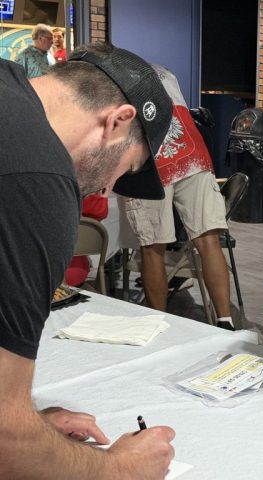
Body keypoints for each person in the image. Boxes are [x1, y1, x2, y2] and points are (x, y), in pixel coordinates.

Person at [0, 41, 176, 478]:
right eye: (126, 169)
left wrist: (33, 426)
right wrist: (121, 469)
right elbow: (5, 440)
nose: (106, 189)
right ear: (118, 121)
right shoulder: (39, 179)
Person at [123, 65, 234, 330]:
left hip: (151, 159)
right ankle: (225, 321)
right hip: (192, 152)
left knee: (153, 246)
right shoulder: (163, 72)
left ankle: (157, 324)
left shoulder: (109, 75)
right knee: (208, 240)